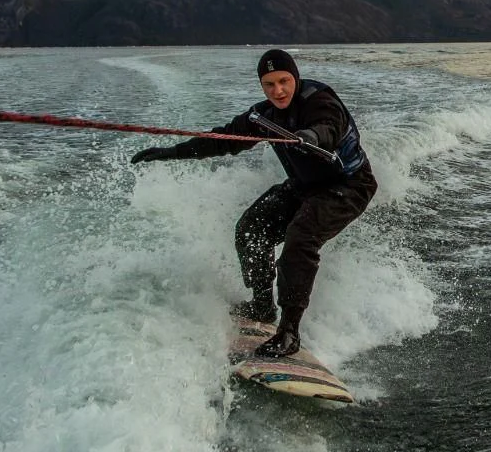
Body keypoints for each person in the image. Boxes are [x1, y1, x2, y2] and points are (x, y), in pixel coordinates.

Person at [130, 49, 377, 358]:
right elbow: (221, 141)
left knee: (300, 240)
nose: (279, 91)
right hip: (304, 187)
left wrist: (312, 136)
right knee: (251, 229)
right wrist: (169, 153)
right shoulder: (263, 117)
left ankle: (289, 333)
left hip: (348, 186)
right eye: (269, 84)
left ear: (295, 78)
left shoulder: (320, 100)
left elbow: (330, 125)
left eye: (284, 81)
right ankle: (262, 307)